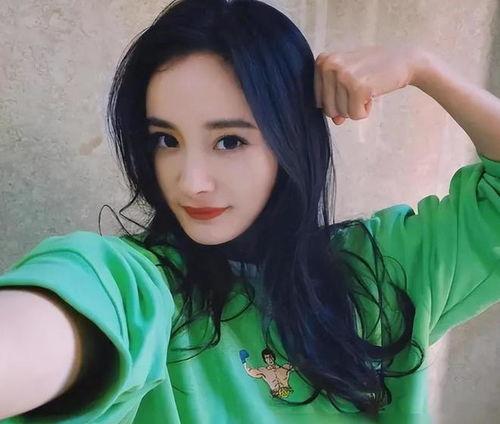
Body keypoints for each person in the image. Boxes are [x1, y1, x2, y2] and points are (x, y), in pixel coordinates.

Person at [0, 0, 499, 422]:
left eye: (229, 141)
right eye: (166, 140)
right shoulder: (132, 288)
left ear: (290, 140)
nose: (190, 182)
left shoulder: (382, 270)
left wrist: (423, 68)